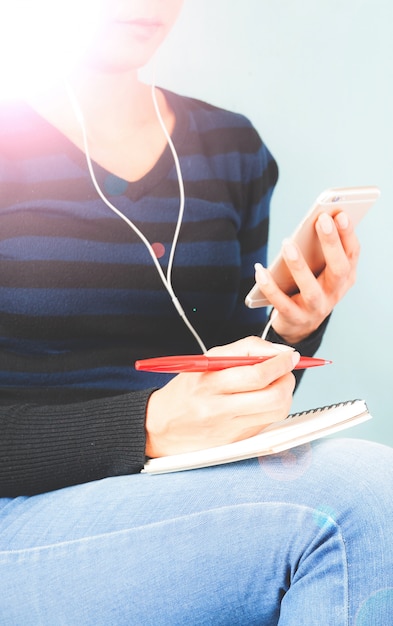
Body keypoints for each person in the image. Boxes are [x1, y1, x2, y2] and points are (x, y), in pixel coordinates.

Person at [0, 1, 392, 624]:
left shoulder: (231, 149)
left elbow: (223, 364)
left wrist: (291, 328)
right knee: (361, 503)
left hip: (180, 485)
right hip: (21, 510)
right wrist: (145, 425)